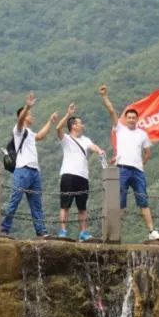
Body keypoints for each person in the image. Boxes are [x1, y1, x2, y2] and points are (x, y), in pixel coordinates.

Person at [99, 84, 159, 241]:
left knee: (143, 200)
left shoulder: (142, 134)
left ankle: (152, 231)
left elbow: (148, 152)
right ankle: (113, 232)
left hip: (138, 171)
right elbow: (112, 111)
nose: (131, 119)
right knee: (119, 202)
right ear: (125, 119)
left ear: (137, 119)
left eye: (134, 117)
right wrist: (104, 96)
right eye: (129, 117)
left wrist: (141, 163)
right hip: (122, 169)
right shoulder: (120, 128)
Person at [0, 92, 57, 238]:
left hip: (34, 171)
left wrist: (50, 122)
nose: (32, 116)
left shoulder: (30, 133)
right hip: (22, 170)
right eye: (30, 114)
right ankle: (4, 229)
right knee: (15, 200)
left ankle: (41, 231)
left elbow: (40, 136)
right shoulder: (18, 131)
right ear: (24, 116)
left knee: (36, 204)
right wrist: (27, 106)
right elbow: (19, 120)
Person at [55, 103, 107, 241]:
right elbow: (58, 128)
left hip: (83, 176)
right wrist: (68, 114)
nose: (82, 125)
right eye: (80, 123)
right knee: (65, 205)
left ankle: (83, 233)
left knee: (82, 207)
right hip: (68, 174)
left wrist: (99, 150)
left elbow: (92, 146)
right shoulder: (66, 139)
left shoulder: (85, 140)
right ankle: (63, 231)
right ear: (73, 126)